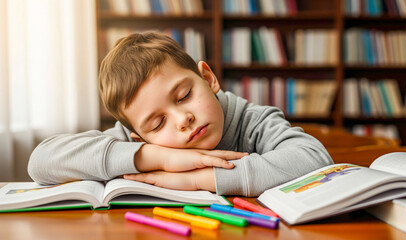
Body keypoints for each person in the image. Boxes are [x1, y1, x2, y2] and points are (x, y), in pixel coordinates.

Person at [28, 31, 333, 196]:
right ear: (140, 136)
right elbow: (41, 162)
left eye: (185, 95)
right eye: (158, 123)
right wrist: (159, 157)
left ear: (208, 78)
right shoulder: (134, 141)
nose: (182, 119)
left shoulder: (253, 120)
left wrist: (199, 179)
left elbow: (315, 160)